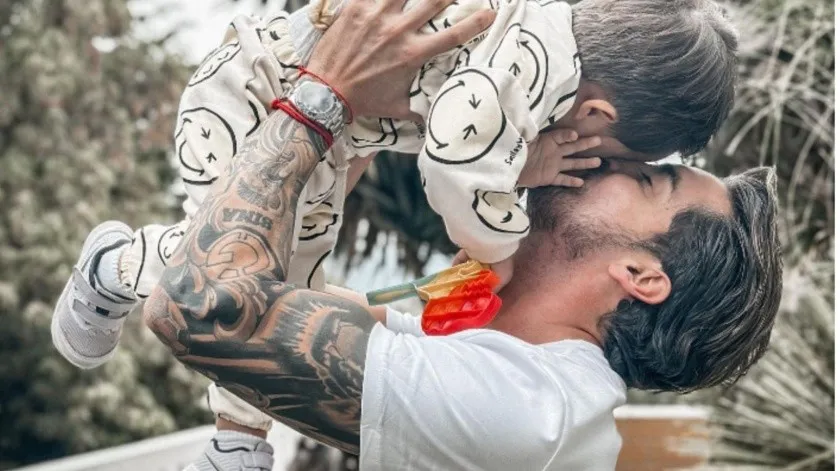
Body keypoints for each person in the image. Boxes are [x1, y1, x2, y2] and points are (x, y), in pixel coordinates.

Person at [138, 0, 784, 468]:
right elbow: (283, 285)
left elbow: (203, 304)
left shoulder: (534, 414)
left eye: (644, 179)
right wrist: (362, 126)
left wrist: (326, 92)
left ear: (642, 276)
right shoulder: (498, 361)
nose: (603, 159)